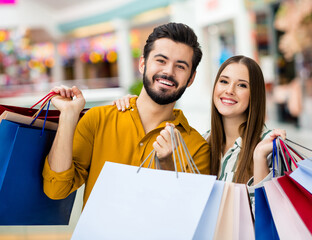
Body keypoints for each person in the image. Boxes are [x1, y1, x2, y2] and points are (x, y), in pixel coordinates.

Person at [42, 22, 210, 207]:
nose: (168, 72)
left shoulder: (197, 148)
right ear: (143, 64)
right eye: (161, 61)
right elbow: (56, 190)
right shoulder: (98, 120)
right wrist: (67, 116)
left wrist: (169, 166)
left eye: (180, 66)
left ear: (191, 78)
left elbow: (187, 215)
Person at [114, 55, 286, 203]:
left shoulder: (270, 147)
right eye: (224, 81)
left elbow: (270, 216)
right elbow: (184, 202)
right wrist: (135, 106)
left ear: (254, 94)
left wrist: (259, 158)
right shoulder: (202, 143)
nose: (229, 90)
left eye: (241, 85)